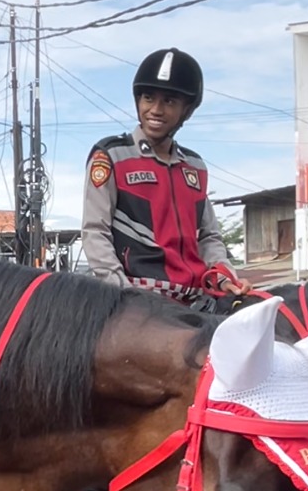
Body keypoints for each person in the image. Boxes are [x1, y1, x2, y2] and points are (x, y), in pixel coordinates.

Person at [80, 47, 250, 309]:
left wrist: (223, 277)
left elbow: (208, 237)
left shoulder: (194, 167)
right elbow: (95, 231)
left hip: (196, 304)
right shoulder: (112, 156)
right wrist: (122, 294)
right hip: (139, 303)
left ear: (187, 110)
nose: (156, 110)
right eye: (148, 98)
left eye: (169, 101)